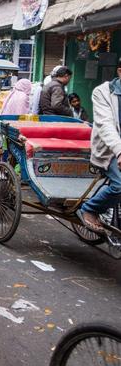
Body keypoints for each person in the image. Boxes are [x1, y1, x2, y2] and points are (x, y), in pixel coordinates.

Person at [77, 59, 121, 234]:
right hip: (109, 151)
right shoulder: (103, 92)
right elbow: (106, 126)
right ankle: (90, 208)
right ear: (119, 71)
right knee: (119, 185)